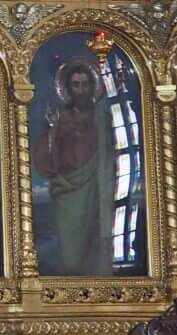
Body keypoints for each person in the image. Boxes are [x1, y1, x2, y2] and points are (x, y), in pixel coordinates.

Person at [31, 60, 116, 276]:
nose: (81, 90)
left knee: (93, 240)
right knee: (70, 253)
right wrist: (53, 131)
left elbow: (109, 153)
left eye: (85, 84)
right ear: (68, 88)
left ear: (92, 87)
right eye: (76, 85)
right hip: (66, 190)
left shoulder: (101, 118)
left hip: (94, 185)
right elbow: (45, 153)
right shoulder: (59, 117)